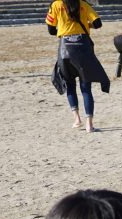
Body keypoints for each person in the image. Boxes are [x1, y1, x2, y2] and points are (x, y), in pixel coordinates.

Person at [46, 0, 110, 133]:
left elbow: (51, 30)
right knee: (86, 87)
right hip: (83, 48)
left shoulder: (56, 5)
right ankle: (89, 125)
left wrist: (64, 26)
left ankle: (77, 119)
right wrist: (86, 25)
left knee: (69, 85)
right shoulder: (84, 4)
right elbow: (98, 23)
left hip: (65, 49)